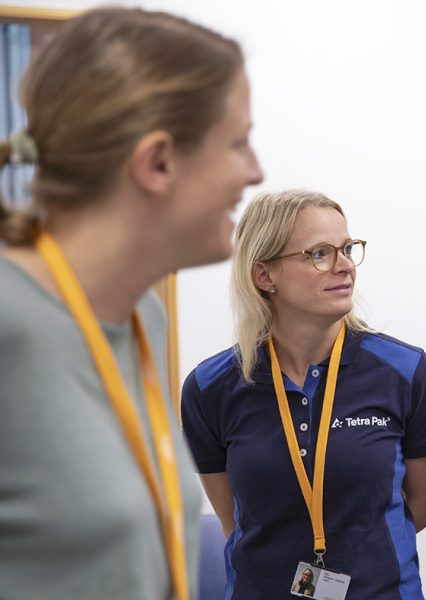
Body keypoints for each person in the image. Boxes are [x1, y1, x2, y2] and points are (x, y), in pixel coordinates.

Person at [0, 8, 262, 600]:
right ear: (158, 162)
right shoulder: (9, 324)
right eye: (239, 142)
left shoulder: (143, 316)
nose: (255, 171)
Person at [181, 190, 426, 599]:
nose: (344, 266)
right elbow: (235, 521)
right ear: (264, 275)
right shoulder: (210, 388)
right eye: (320, 253)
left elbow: (423, 505)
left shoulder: (407, 372)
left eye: (348, 249)